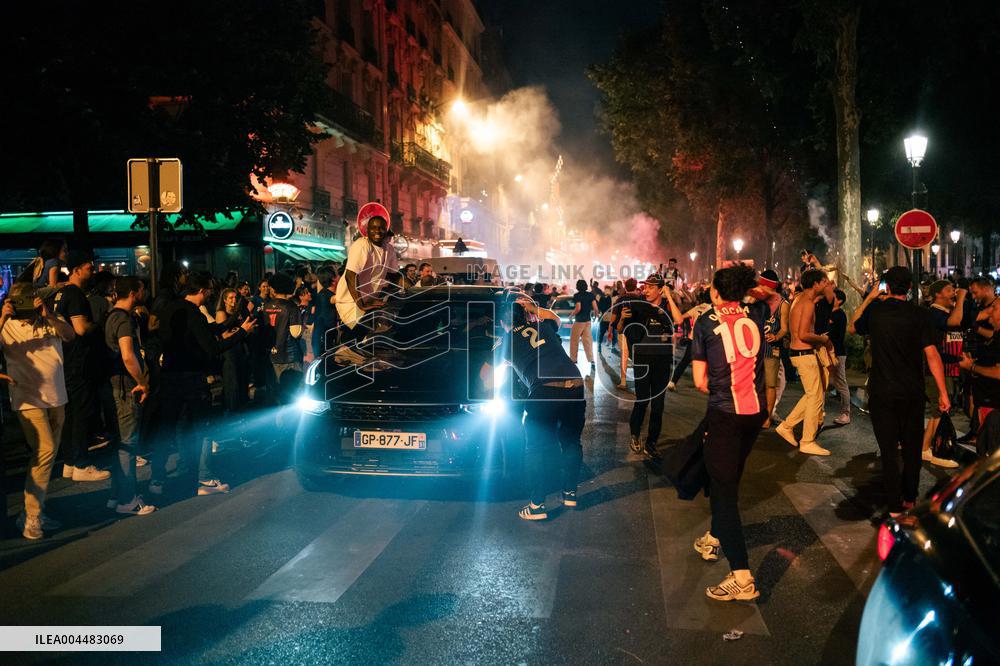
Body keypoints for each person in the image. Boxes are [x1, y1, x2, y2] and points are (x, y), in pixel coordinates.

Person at [690, 264, 774, 601]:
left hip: (726, 413)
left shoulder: (705, 321)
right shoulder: (755, 314)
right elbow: (764, 295)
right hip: (755, 412)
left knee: (724, 492)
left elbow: (699, 381)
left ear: (714, 290)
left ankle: (742, 576)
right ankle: (713, 536)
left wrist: (723, 388)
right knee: (728, 474)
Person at [849, 267, 949, 517]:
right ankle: (909, 498)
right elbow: (932, 355)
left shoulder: (875, 312)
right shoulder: (920, 315)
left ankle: (893, 505)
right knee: (912, 448)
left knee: (889, 451)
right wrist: (943, 393)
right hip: (911, 392)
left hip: (882, 392)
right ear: (909, 287)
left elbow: (852, 327)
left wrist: (871, 297)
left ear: (887, 287)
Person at [152, 271, 256, 497]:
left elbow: (207, 331)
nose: (211, 294)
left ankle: (158, 478)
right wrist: (241, 333)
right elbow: (212, 347)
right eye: (209, 290)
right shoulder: (194, 314)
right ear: (202, 291)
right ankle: (204, 478)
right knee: (202, 427)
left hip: (169, 375)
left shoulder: (172, 308)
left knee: (171, 428)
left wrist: (234, 322)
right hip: (191, 378)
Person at [494, 295, 585, 521]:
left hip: (544, 389)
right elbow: (556, 318)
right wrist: (534, 307)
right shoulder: (543, 326)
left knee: (535, 447)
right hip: (575, 384)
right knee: (571, 441)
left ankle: (537, 506)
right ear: (526, 315)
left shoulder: (504, 341)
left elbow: (487, 373)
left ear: (502, 323)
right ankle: (570, 494)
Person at [1, 284, 76, 539]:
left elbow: (70, 335)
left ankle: (34, 511)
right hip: (26, 397)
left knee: (47, 453)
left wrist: (49, 315)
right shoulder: (6, 324)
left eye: (27, 301)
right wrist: (2, 317)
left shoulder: (49, 317)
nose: (23, 306)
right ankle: (32, 516)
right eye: (18, 302)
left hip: (56, 396)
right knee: (44, 450)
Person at [52, 250, 111, 481]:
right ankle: (81, 464)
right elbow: (81, 329)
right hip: (78, 361)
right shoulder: (75, 295)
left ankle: (69, 461)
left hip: (64, 360)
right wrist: (101, 323)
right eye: (89, 266)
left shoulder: (60, 293)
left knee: (70, 413)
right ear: (76, 269)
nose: (93, 270)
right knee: (81, 412)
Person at [104, 276, 156, 516]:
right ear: (134, 293)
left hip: (112, 385)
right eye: (142, 290)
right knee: (128, 444)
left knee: (119, 442)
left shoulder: (110, 316)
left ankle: (117, 494)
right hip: (126, 387)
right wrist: (142, 382)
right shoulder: (123, 320)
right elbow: (127, 355)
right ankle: (128, 499)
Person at [775, 268, 835, 456]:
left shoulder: (800, 299)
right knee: (815, 397)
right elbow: (803, 334)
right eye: (824, 282)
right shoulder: (807, 302)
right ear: (815, 284)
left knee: (812, 395)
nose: (827, 285)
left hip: (800, 353)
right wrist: (823, 340)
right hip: (804, 354)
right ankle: (807, 440)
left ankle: (787, 426)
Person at [621, 274, 674, 458]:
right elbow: (621, 327)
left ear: (661, 289)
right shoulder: (638, 305)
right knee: (642, 400)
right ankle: (635, 434)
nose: (647, 289)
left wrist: (670, 297)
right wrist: (622, 317)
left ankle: (651, 443)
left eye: (652, 287)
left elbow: (679, 319)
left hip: (663, 360)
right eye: (646, 286)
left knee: (658, 405)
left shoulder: (668, 307)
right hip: (643, 359)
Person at [334, 216, 398, 359]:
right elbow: (350, 275)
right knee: (358, 332)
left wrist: (411, 291)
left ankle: (352, 355)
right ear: (367, 231)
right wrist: (361, 303)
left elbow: (395, 275)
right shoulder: (362, 245)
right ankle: (341, 355)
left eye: (381, 228)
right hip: (350, 301)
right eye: (373, 228)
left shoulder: (389, 249)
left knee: (370, 331)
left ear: (386, 229)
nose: (377, 231)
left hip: (368, 301)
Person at [921, 280, 965, 467]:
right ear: (938, 294)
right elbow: (955, 322)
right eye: (949, 290)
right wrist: (962, 298)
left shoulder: (938, 312)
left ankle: (924, 448)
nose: (953, 292)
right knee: (940, 407)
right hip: (934, 370)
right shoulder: (935, 313)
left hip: (938, 368)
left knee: (937, 410)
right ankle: (939, 453)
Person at [262, 273, 304, 403]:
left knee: (277, 392)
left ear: (274, 289)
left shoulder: (265, 306)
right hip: (290, 355)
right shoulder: (291, 306)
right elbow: (296, 333)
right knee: (293, 393)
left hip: (272, 355)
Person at [757, 270, 790, 427]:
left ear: (770, 287)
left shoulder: (783, 304)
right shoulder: (758, 302)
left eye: (762, 285)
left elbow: (784, 328)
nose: (760, 288)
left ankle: (767, 417)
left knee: (771, 384)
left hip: (771, 349)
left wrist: (776, 336)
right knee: (757, 383)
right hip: (755, 348)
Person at [665, 288, 712, 391]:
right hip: (706, 340)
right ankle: (707, 384)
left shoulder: (697, 308)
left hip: (693, 339)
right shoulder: (714, 310)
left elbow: (682, 317)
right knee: (710, 362)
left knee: (685, 361)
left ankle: (672, 382)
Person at [828, 289, 851, 426]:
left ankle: (846, 413)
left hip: (837, 353)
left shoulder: (840, 315)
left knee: (841, 383)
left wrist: (833, 353)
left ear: (839, 300)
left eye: (833, 296)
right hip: (828, 352)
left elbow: (838, 337)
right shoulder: (829, 312)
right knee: (830, 381)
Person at [569, 279, 598, 368]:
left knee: (574, 341)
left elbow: (578, 308)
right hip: (587, 321)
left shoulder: (577, 296)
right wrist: (596, 316)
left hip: (579, 321)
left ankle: (573, 359)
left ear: (578, 286)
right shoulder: (590, 295)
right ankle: (591, 360)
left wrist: (571, 315)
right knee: (588, 341)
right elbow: (595, 308)